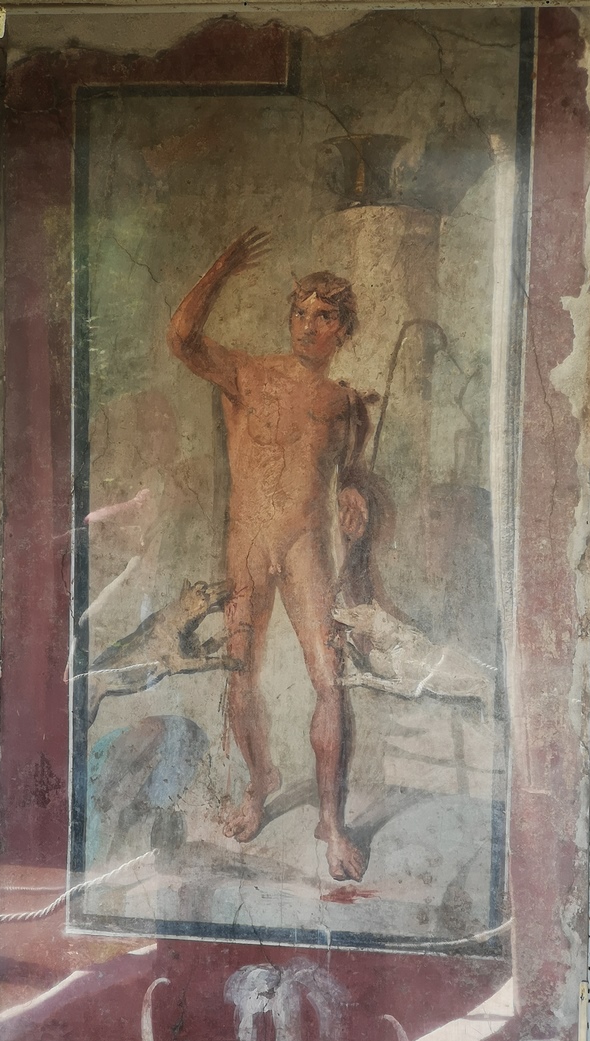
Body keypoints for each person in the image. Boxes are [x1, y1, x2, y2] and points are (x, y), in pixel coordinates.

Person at [167, 228, 371, 881]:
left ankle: (331, 822)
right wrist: (222, 266)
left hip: (306, 546)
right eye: (300, 313)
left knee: (327, 680)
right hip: (249, 542)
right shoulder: (248, 374)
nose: (308, 326)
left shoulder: (345, 403)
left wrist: (354, 493)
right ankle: (260, 785)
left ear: (343, 330)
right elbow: (181, 339)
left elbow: (350, 473)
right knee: (240, 676)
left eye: (324, 316)